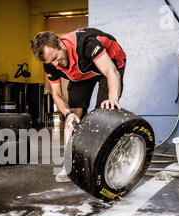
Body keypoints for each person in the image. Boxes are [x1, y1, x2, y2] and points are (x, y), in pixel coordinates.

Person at [30, 27, 127, 182]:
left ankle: (101, 164)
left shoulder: (86, 44)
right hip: (81, 74)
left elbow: (111, 72)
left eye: (56, 58)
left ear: (60, 44)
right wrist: (68, 114)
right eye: (50, 62)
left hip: (110, 64)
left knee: (103, 114)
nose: (55, 65)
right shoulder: (50, 62)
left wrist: (113, 98)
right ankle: (70, 165)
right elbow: (56, 93)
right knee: (73, 115)